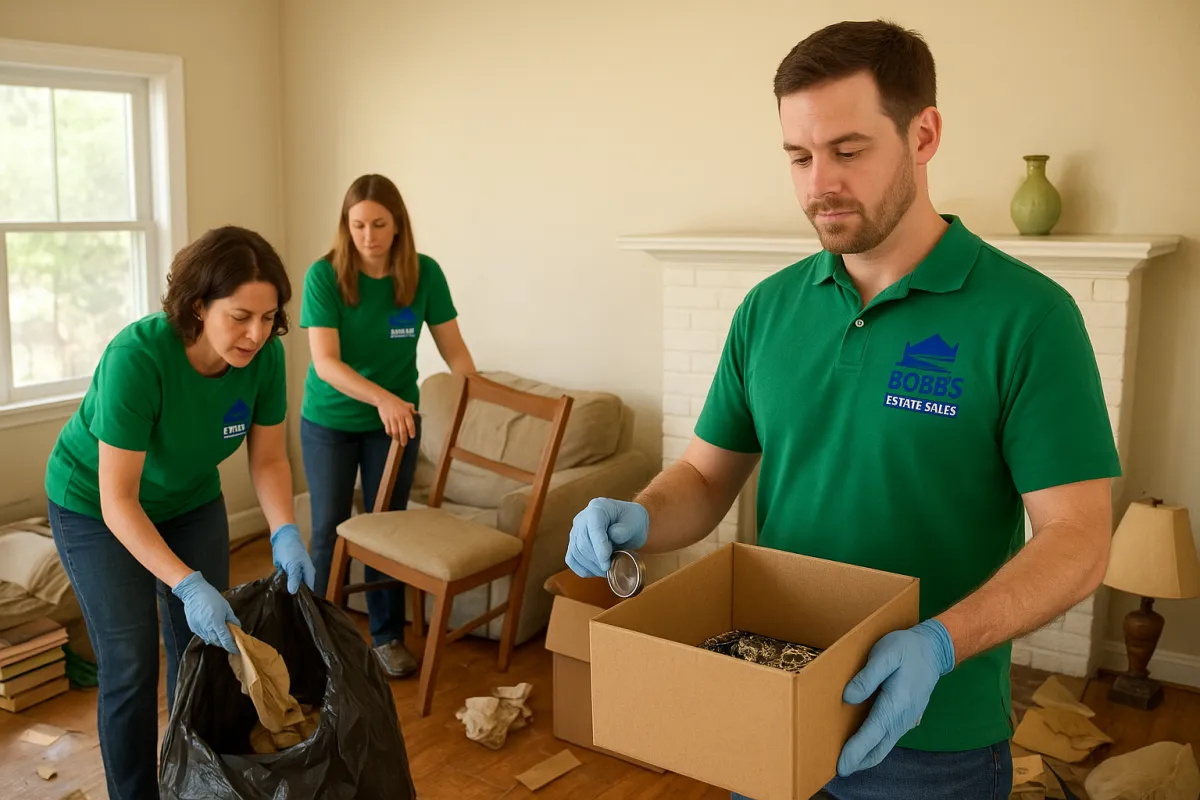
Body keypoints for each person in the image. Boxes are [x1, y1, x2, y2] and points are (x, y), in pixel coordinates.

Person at [566, 19, 1119, 800]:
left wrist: (941, 642)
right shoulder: (767, 309)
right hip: (768, 701)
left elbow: (1079, 540)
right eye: (798, 156)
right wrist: (641, 517)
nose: (817, 182)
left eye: (848, 151)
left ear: (923, 134)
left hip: (933, 742)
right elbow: (703, 476)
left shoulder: (1030, 317)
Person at [44, 226, 315, 800]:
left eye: (269, 319)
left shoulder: (265, 360)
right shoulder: (136, 358)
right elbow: (119, 499)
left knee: (202, 657)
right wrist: (187, 584)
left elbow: (267, 458)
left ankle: (192, 785)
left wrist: (285, 529)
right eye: (241, 316)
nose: (256, 334)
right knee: (129, 665)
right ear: (198, 304)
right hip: (94, 508)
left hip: (189, 500)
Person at [300, 173, 476, 678]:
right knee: (329, 532)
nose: (368, 236)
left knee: (385, 530)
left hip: (393, 426)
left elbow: (455, 351)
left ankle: (386, 638)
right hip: (331, 420)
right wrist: (383, 399)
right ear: (346, 226)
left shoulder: (424, 274)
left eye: (378, 224)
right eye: (357, 225)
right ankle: (319, 642)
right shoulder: (324, 276)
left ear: (397, 225)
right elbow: (326, 363)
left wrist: (473, 396)